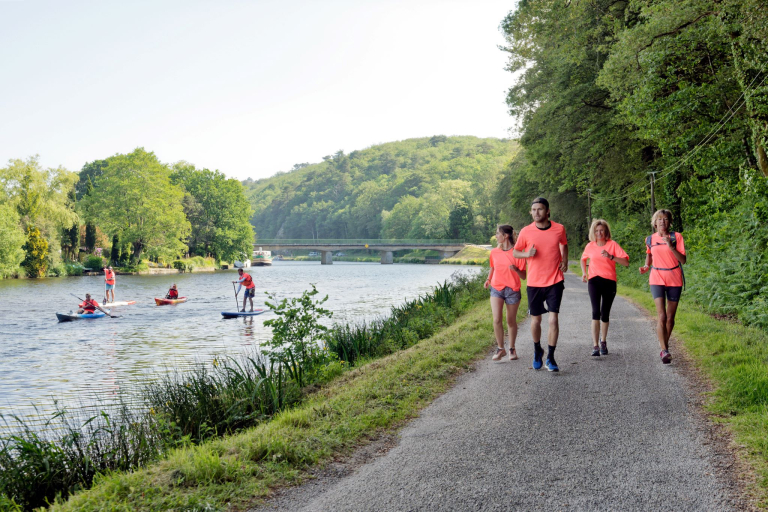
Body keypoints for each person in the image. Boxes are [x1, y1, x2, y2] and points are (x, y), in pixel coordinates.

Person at [513, 197, 568, 372]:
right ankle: (538, 350)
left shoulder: (559, 229)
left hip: (555, 280)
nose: (537, 213)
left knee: (553, 319)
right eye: (534, 210)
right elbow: (515, 252)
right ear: (531, 212)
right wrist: (527, 253)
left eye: (540, 209)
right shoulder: (525, 231)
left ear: (548, 211)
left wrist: (565, 260)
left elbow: (564, 244)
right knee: (536, 321)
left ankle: (551, 358)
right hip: (534, 283)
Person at [639, 209, 686, 364]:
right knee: (662, 316)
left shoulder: (676, 237)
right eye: (659, 219)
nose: (662, 222)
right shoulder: (650, 239)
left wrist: (671, 246)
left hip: (674, 278)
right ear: (654, 222)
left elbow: (683, 260)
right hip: (657, 277)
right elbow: (649, 255)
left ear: (669, 222)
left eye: (665, 219)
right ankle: (664, 350)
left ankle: (664, 346)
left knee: (670, 317)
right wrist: (646, 266)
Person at [580, 219, 629, 357]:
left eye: (601, 230)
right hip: (594, 281)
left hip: (609, 281)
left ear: (606, 231)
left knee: (605, 313)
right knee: (595, 312)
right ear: (593, 232)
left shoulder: (612, 245)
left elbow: (625, 262)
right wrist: (584, 272)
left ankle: (603, 341)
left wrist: (611, 256)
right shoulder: (590, 246)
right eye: (596, 231)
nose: (599, 233)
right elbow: (583, 259)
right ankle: (595, 345)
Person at [485, 225, 527, 362]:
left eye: (498, 233)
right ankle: (500, 348)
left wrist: (515, 269)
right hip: (496, 288)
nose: (496, 236)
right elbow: (492, 267)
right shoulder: (494, 252)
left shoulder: (517, 253)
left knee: (510, 321)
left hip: (512, 290)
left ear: (506, 236)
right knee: (496, 319)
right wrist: (488, 279)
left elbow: (523, 276)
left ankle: (512, 348)